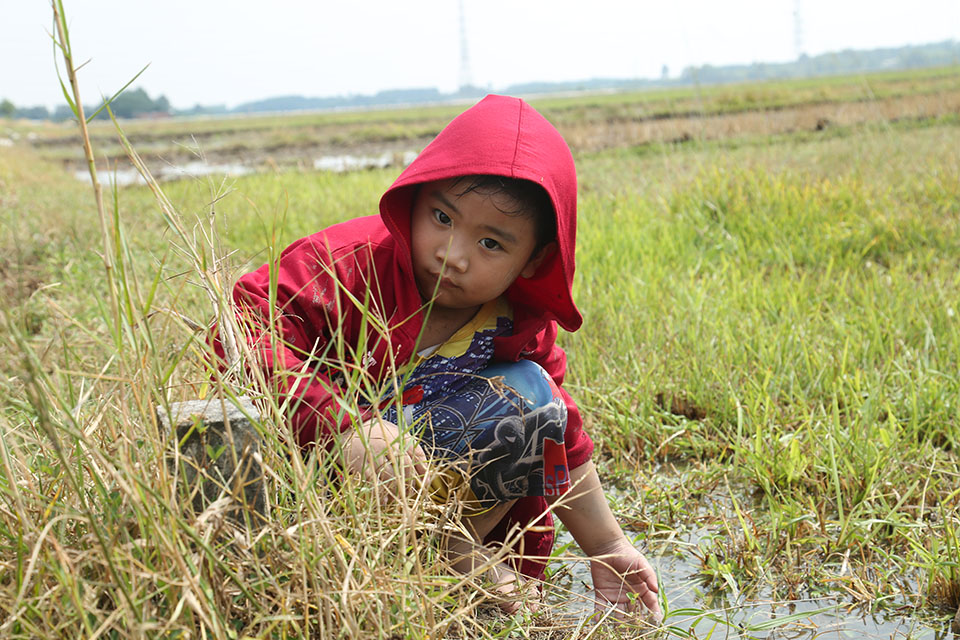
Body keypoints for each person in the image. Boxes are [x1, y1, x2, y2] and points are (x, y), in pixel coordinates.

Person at [230, 94, 661, 619]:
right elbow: (242, 326)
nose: (452, 255)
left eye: (491, 244)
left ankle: (443, 561)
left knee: (533, 397)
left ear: (535, 259)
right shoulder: (351, 265)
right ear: (415, 198)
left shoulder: (515, 322)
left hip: (431, 502)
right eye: (441, 217)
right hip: (316, 490)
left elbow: (559, 444)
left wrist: (608, 546)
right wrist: (344, 427)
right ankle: (453, 560)